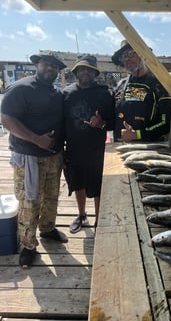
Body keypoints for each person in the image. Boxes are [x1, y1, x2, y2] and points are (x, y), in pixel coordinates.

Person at [0, 53, 68, 269]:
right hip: (28, 157)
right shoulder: (21, 88)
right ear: (37, 65)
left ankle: (47, 229)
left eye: (55, 66)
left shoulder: (56, 93)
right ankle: (28, 245)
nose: (50, 68)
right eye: (47, 64)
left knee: (51, 197)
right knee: (29, 202)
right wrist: (35, 139)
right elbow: (6, 119)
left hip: (53, 156)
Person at [63, 55, 114, 233]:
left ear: (95, 73)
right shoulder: (67, 93)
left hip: (96, 149)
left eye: (89, 69)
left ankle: (99, 220)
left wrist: (102, 123)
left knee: (97, 185)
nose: (85, 72)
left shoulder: (104, 93)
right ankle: (81, 214)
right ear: (76, 71)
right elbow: (60, 121)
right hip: (73, 148)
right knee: (77, 183)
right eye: (82, 69)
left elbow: (113, 122)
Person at [111, 40, 171, 142]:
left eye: (130, 53)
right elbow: (112, 117)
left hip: (148, 149)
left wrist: (137, 135)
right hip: (120, 148)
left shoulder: (160, 85)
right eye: (123, 56)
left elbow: (166, 123)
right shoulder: (120, 85)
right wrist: (101, 123)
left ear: (142, 55)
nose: (127, 59)